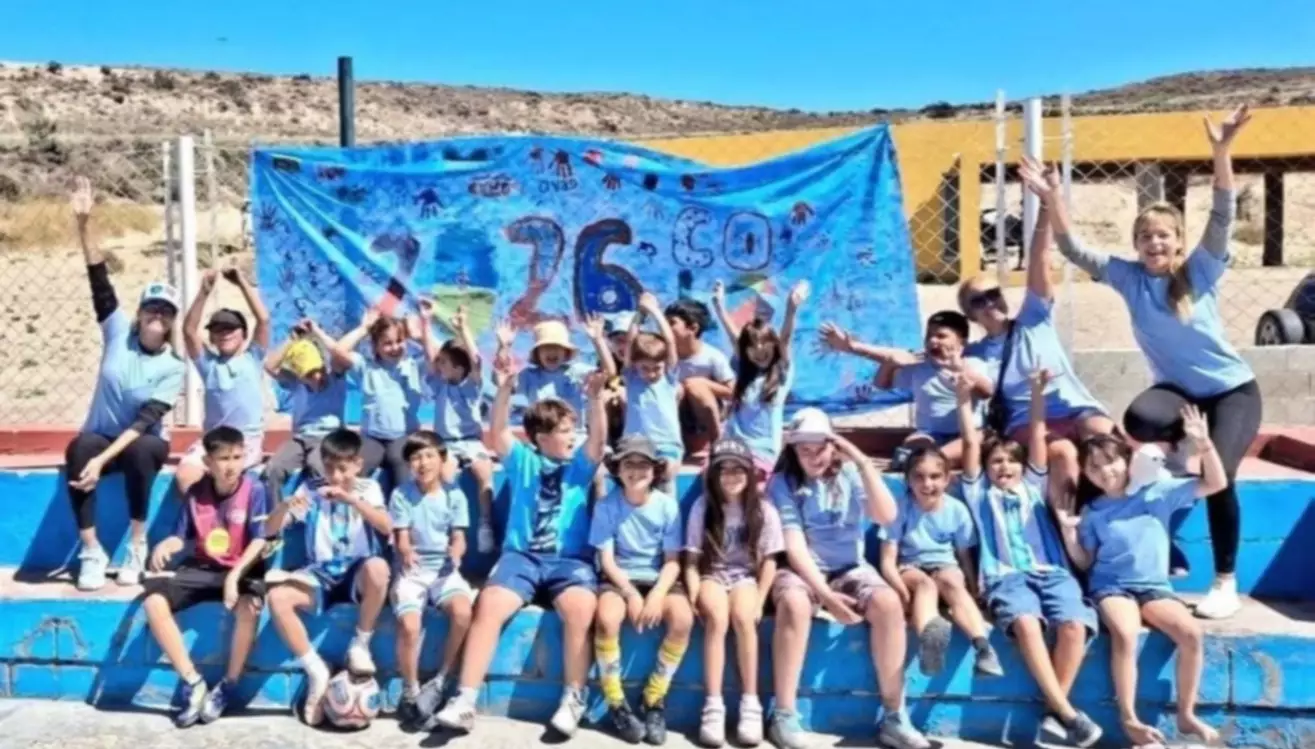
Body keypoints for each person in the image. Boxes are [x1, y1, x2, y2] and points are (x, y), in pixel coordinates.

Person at [1020, 105, 1260, 619]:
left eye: (1164, 235)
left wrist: (1221, 150)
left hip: (1231, 391)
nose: (1155, 243)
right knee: (1139, 421)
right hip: (1180, 394)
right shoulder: (1129, 278)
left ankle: (1225, 579)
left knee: (1222, 472)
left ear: (1178, 242)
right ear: (1136, 244)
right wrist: (1052, 196)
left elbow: (1222, 212)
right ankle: (1178, 453)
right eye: (1146, 236)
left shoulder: (1201, 270)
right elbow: (1072, 247)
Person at [433, 351, 609, 736]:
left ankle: (573, 697)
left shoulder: (580, 467)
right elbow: (498, 432)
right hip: (522, 558)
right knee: (489, 605)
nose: (573, 436)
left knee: (581, 610)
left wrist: (595, 398)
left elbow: (598, 440)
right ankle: (465, 699)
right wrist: (504, 389)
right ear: (542, 438)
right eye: (566, 430)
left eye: (573, 429)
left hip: (570, 561)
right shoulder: (523, 461)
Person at [1057, 410, 1224, 747]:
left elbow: (1215, 483)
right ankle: (1129, 718)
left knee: (1191, 633)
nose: (1105, 471)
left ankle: (1186, 714)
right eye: (1094, 467)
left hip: (1154, 587)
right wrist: (1069, 534)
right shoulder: (1093, 511)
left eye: (1110, 461)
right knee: (1125, 633)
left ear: (1126, 459)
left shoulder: (1156, 492)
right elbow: (1086, 561)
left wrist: (1204, 444)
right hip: (1111, 586)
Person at [954, 369, 1102, 747]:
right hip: (1006, 576)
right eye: (996, 461)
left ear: (1023, 467)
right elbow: (969, 441)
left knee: (1074, 625)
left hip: (1053, 573)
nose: (1004, 467)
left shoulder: (1034, 486)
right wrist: (963, 399)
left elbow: (1037, 432)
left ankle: (1054, 716)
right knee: (1026, 622)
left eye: (1011, 461)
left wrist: (1037, 391)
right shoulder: (978, 493)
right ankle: (1068, 714)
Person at [765, 409, 924, 749]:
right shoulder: (783, 483)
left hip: (850, 567)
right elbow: (795, 547)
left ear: (834, 444)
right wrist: (826, 597)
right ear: (793, 451)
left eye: (820, 448)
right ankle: (784, 714)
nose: (813, 457)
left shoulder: (850, 473)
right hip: (804, 569)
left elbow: (886, 515)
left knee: (888, 603)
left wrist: (862, 462)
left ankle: (895, 716)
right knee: (793, 603)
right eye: (804, 450)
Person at [64, 176, 186, 591]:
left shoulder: (173, 366)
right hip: (101, 438)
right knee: (79, 447)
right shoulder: (117, 332)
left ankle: (137, 545)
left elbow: (141, 423)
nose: (157, 315)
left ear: (172, 321)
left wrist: (102, 461)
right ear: (140, 312)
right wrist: (84, 223)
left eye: (165, 311)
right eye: (152, 307)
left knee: (141, 448)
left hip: (139, 443)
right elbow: (97, 277)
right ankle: (91, 551)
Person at [957, 194, 1113, 503]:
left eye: (993, 294)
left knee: (1106, 438)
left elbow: (1039, 257)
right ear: (970, 315)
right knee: (1063, 451)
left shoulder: (1034, 318)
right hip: (1026, 421)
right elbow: (977, 383)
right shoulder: (976, 354)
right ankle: (1068, 523)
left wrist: (1045, 205)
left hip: (1076, 408)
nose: (990, 303)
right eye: (978, 301)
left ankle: (1119, 513)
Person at [261, 428, 393, 726]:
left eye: (342, 468)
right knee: (278, 598)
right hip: (320, 574)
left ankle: (360, 643)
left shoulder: (369, 488)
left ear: (357, 464)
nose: (335, 476)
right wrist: (284, 507)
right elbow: (270, 530)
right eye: (329, 467)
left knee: (378, 568)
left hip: (357, 571)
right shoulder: (310, 489)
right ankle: (316, 669)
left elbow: (386, 526)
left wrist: (352, 500)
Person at [141, 426, 268, 727]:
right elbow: (180, 536)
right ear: (208, 462)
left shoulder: (255, 490)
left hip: (242, 569)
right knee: (153, 602)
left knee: (250, 607)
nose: (231, 466)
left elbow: (260, 540)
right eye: (223, 458)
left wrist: (234, 576)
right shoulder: (197, 492)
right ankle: (193, 682)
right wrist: (166, 545)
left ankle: (228, 684)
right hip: (202, 568)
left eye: (237, 457)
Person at [589, 434, 691, 745]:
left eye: (643, 464)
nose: (636, 471)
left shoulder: (667, 506)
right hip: (620, 577)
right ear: (617, 470)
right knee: (607, 619)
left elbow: (672, 562)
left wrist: (657, 594)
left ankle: (654, 698)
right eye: (628, 464)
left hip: (658, 577)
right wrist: (631, 593)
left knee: (683, 620)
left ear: (655, 470)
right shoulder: (607, 506)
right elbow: (607, 560)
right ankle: (616, 701)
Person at [684, 438, 784, 748]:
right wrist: (694, 594)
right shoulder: (703, 507)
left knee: (744, 617)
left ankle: (750, 703)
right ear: (713, 475)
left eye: (738, 469)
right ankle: (713, 705)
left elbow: (769, 560)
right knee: (717, 618)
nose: (731, 476)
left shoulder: (764, 510)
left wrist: (761, 599)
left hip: (746, 578)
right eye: (723, 469)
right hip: (712, 575)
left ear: (750, 473)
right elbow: (692, 560)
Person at [878, 445, 1002, 678]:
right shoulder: (899, 509)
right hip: (910, 567)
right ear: (908, 480)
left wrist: (973, 589)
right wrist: (901, 592)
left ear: (947, 479)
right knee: (925, 585)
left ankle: (983, 649)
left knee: (952, 582)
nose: (927, 484)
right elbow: (888, 561)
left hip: (945, 565)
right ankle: (929, 644)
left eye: (935, 476)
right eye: (919, 477)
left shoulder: (957, 510)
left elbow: (963, 555)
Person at [822, 310, 992, 468]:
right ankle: (925, 460)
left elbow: (986, 391)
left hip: (966, 434)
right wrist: (885, 362)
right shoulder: (919, 366)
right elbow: (883, 381)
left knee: (973, 441)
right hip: (930, 434)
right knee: (913, 444)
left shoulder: (973, 364)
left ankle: (928, 461)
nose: (933, 341)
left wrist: (957, 368)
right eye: (929, 336)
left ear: (962, 343)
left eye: (941, 336)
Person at [388, 431, 475, 730]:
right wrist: (406, 551)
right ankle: (410, 689)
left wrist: (456, 552)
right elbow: (401, 537)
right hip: (413, 572)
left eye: (428, 456)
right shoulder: (401, 495)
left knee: (462, 612)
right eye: (415, 457)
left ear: (442, 459)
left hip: (444, 571)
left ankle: (440, 679)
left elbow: (459, 537)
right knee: (410, 626)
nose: (422, 463)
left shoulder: (455, 496)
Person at [178, 267, 270, 495]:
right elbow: (189, 331)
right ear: (211, 337)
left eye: (231, 328)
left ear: (244, 334)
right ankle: (199, 516)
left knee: (228, 475)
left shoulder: (253, 358)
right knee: (185, 475)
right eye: (218, 329)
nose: (224, 333)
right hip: (213, 440)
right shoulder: (208, 365)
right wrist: (204, 292)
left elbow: (264, 319)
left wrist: (241, 283)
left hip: (245, 441)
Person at [419, 302, 495, 552]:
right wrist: (426, 321)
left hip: (471, 441)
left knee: (484, 473)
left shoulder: (470, 387)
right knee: (446, 475)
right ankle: (451, 526)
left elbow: (475, 360)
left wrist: (463, 329)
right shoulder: (439, 385)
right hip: (447, 444)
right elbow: (430, 354)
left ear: (459, 369)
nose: (438, 366)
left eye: (444, 363)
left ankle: (485, 523)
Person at [326, 307, 428, 491]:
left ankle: (401, 509)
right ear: (375, 347)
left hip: (403, 437)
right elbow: (338, 351)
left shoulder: (413, 366)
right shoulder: (366, 368)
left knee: (404, 476)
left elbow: (437, 355)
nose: (395, 347)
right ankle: (350, 507)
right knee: (351, 473)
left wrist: (419, 336)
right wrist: (363, 329)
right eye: (387, 343)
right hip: (372, 438)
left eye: (399, 341)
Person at [712, 280, 808, 473]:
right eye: (752, 347)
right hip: (734, 449)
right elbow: (734, 338)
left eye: (765, 345)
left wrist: (791, 308)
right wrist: (719, 307)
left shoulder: (781, 375)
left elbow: (786, 339)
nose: (759, 350)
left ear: (775, 346)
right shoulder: (744, 375)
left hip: (764, 454)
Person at [262, 319, 351, 505]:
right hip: (300, 439)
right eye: (308, 375)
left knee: (316, 464)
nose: (316, 377)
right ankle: (275, 517)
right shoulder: (296, 383)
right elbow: (269, 366)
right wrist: (291, 339)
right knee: (273, 469)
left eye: (318, 371)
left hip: (328, 437)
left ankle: (326, 511)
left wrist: (317, 331)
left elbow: (339, 353)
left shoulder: (335, 379)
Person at [618, 293, 684, 489]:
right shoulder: (633, 379)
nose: (652, 373)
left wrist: (654, 310)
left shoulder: (668, 378)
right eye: (645, 368)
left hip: (666, 443)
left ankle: (669, 508)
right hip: (635, 443)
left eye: (657, 368)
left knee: (667, 474)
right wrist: (640, 313)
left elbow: (670, 341)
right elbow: (631, 342)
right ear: (635, 365)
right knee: (633, 480)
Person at [665, 297, 735, 458]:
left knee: (695, 386)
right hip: (678, 418)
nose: (665, 328)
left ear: (693, 328)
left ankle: (717, 444)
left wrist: (704, 383)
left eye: (672, 323)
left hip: (705, 418)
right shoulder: (663, 356)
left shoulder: (712, 356)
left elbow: (732, 392)